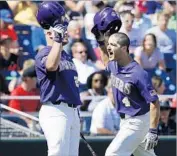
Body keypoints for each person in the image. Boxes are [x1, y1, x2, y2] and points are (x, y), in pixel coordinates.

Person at [91, 7, 160, 156]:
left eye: (113, 45)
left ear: (124, 48)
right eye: (109, 45)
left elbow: (154, 102)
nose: (109, 47)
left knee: (112, 153)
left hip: (137, 121)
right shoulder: (115, 65)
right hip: (126, 121)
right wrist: (100, 40)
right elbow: (105, 60)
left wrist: (153, 130)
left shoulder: (138, 73)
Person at [35, 2, 82, 156]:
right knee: (58, 153)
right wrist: (57, 40)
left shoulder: (66, 55)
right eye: (62, 30)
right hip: (56, 110)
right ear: (49, 34)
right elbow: (51, 66)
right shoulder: (44, 53)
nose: (65, 32)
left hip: (71, 111)